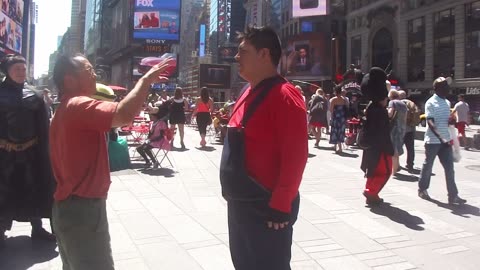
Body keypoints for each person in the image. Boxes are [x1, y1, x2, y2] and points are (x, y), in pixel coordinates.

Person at [49, 53, 173, 269]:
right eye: (88, 70)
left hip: (70, 207)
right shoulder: (78, 104)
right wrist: (144, 81)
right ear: (70, 79)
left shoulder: (65, 108)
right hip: (82, 210)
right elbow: (123, 114)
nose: (95, 74)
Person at [220, 26, 308, 270]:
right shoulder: (248, 90)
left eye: (243, 51)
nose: (236, 57)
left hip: (266, 208)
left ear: (264, 54)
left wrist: (281, 205)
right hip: (241, 205)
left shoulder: (284, 95)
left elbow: (296, 156)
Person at [0, 54, 56, 248]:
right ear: (7, 71)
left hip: (31, 153)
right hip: (4, 154)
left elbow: (43, 126)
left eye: (23, 69)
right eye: (17, 69)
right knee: (3, 191)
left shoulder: (35, 94)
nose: (21, 73)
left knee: (34, 188)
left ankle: (37, 228)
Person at [418, 77, 467, 205]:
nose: (448, 88)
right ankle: (422, 189)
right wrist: (441, 138)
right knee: (428, 166)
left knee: (450, 168)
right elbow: (430, 122)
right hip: (433, 141)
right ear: (436, 88)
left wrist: (451, 122)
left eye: (447, 86)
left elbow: (447, 121)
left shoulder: (447, 102)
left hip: (446, 141)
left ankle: (453, 195)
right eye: (445, 86)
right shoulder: (430, 102)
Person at [360, 67, 394, 205]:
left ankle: (371, 193)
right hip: (381, 147)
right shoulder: (380, 111)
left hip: (370, 146)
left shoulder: (370, 108)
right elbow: (383, 132)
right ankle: (371, 191)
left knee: (372, 171)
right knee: (385, 171)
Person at [387, 89, 407, 175]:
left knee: (393, 149)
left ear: (390, 96)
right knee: (398, 147)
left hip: (394, 127)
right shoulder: (403, 104)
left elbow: (390, 114)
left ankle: (394, 171)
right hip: (402, 127)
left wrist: (386, 111)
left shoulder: (392, 102)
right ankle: (397, 166)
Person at [399, 90, 420, 172]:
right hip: (411, 128)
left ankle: (396, 164)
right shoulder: (412, 103)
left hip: (402, 129)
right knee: (410, 148)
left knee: (397, 147)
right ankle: (410, 164)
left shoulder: (399, 103)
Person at [329, 86, 348, 153]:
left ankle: (339, 148)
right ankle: (335, 146)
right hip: (342, 118)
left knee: (335, 131)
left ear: (335, 91)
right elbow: (346, 108)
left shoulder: (334, 99)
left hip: (336, 117)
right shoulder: (344, 99)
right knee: (341, 131)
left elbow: (331, 110)